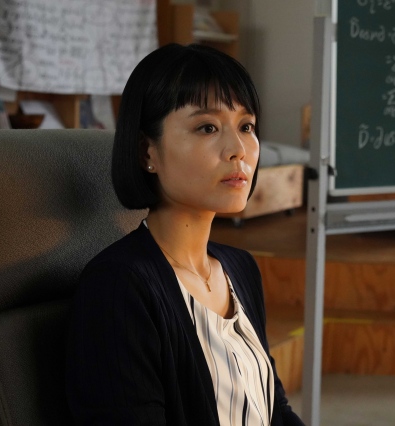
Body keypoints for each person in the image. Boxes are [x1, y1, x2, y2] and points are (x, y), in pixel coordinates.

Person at [65, 43, 305, 426]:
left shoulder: (240, 268)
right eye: (207, 127)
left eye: (246, 126)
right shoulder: (116, 286)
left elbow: (275, 410)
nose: (238, 149)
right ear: (147, 152)